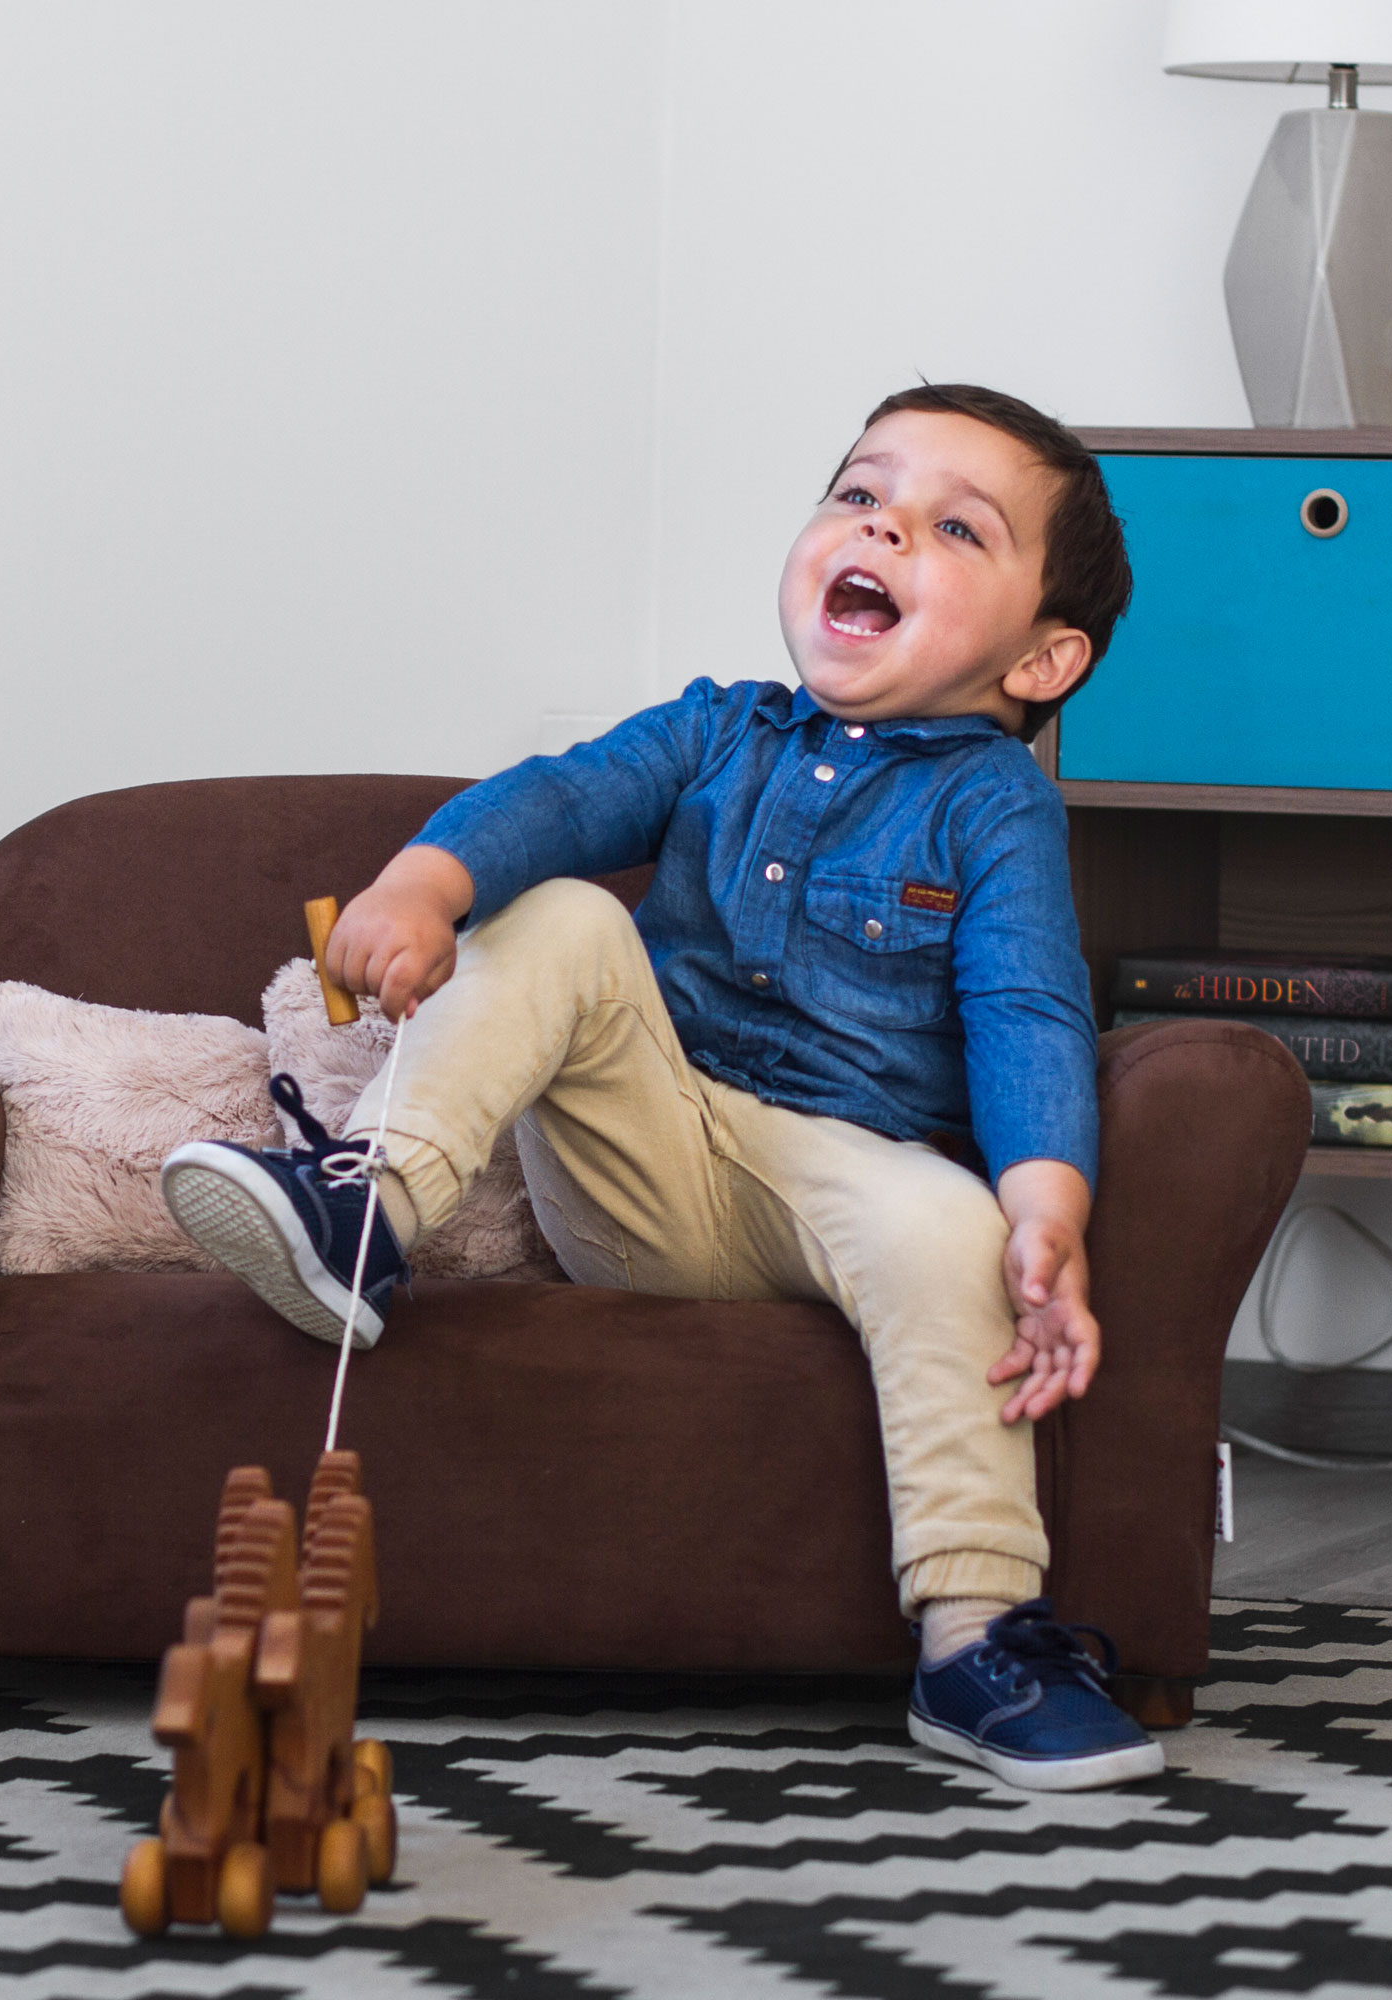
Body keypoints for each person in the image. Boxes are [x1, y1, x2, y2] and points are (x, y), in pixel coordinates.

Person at [163, 383, 1160, 1791]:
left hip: (837, 1178)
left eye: (954, 526)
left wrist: (1043, 1208)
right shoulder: (712, 731)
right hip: (649, 1149)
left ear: (1044, 659)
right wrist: (421, 885)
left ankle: (977, 1636)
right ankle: (364, 1209)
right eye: (861, 494)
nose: (884, 526)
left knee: (955, 1230)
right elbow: (556, 799)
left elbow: (1027, 1010)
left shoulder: (995, 807)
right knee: (567, 911)